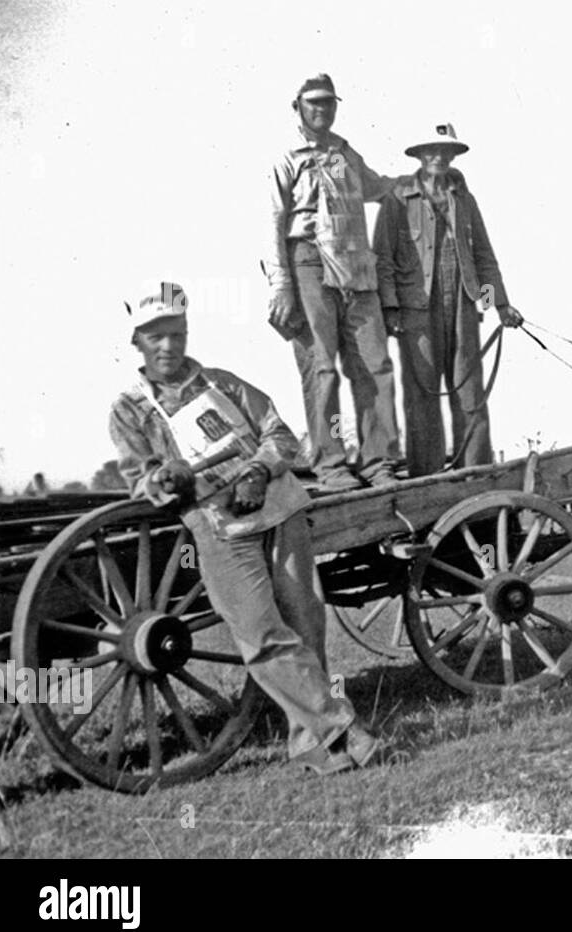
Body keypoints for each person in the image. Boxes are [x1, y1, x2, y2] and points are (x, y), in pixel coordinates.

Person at [109, 281, 381, 775]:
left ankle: (310, 746)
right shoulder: (130, 409)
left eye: (176, 334)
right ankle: (342, 727)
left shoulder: (224, 384)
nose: (168, 346)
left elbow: (278, 432)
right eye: (155, 337)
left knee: (305, 627)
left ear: (186, 334)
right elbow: (141, 482)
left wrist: (257, 472)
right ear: (137, 344)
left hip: (281, 508)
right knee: (260, 634)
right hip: (219, 528)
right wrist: (166, 479)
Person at [266, 73, 400, 491]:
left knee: (373, 363)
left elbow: (375, 187)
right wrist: (281, 284)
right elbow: (272, 221)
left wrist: (415, 182)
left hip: (355, 261)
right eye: (314, 103)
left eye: (328, 103)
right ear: (298, 108)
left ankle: (379, 461)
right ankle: (332, 463)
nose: (322, 110)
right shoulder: (286, 157)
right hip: (307, 260)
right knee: (321, 367)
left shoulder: (344, 153)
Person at [372, 123, 523, 475]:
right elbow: (383, 258)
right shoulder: (397, 199)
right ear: (420, 156)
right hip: (416, 313)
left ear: (454, 155)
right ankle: (427, 484)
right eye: (431, 151)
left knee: (470, 395)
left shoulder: (464, 199)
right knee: (422, 397)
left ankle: (477, 477)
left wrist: (499, 304)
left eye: (445, 151)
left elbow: (483, 255)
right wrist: (391, 309)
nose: (438, 157)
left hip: (463, 308)